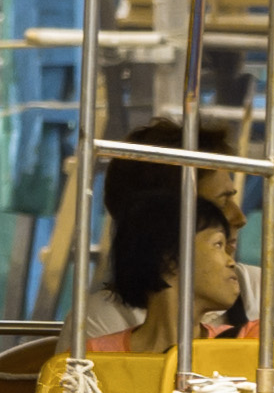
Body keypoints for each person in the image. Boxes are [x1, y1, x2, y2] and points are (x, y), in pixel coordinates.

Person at [73, 144, 254, 358]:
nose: (230, 261)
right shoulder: (91, 359)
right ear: (169, 258)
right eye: (218, 244)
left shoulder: (251, 343)